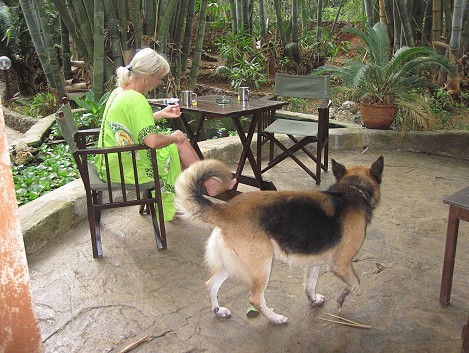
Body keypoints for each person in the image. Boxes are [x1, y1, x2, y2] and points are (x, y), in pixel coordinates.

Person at [95, 48, 235, 222]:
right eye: (159, 78)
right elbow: (152, 141)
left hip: (110, 162)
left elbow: (133, 126)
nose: (160, 82)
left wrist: (160, 114)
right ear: (148, 77)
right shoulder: (136, 100)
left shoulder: (120, 92)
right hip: (125, 168)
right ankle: (206, 183)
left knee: (177, 151)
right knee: (179, 144)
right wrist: (175, 137)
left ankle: (200, 185)